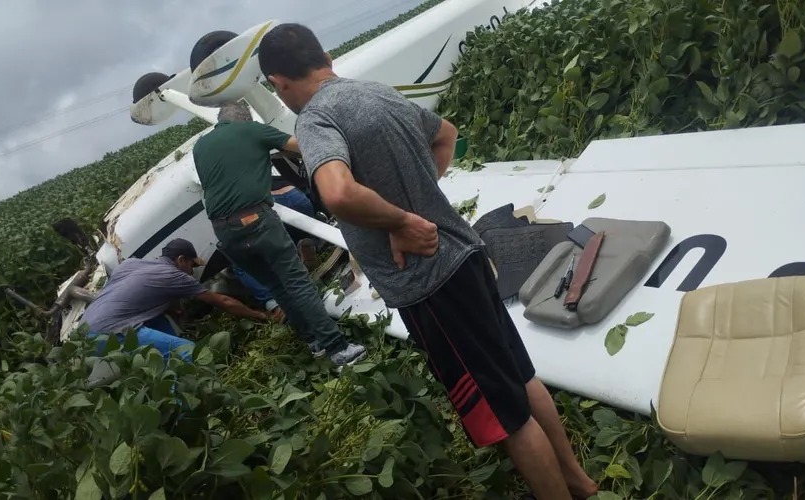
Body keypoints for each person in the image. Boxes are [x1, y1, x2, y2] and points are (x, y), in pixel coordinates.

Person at [258, 23, 598, 500]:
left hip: (431, 285)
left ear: (278, 81)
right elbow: (447, 135)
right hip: (468, 258)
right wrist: (420, 200)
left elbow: (337, 191)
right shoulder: (376, 93)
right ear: (325, 57)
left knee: (507, 414)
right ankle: (580, 482)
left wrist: (400, 221)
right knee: (521, 377)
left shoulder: (314, 120)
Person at [192, 99, 366, 367]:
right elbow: (302, 146)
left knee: (277, 286)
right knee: (297, 283)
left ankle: (314, 342)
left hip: (224, 234)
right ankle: (338, 348)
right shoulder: (251, 130)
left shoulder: (200, 146)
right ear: (247, 118)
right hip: (256, 220)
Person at [82, 238, 270, 362]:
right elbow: (224, 302)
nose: (192, 271)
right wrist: (260, 315)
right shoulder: (174, 275)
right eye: (192, 264)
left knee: (163, 323)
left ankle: (165, 363)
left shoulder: (131, 264)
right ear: (181, 259)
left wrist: (172, 309)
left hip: (83, 332)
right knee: (188, 352)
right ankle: (184, 411)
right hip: (110, 332)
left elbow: (139, 295)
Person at [230, 177, 320, 314]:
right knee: (293, 234)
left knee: (240, 262)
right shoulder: (252, 170)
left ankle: (273, 302)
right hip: (296, 196)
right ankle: (311, 243)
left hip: (272, 205)